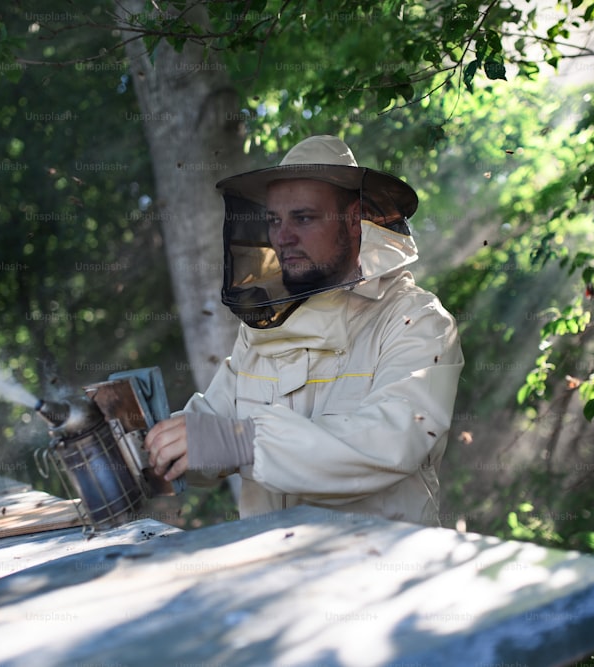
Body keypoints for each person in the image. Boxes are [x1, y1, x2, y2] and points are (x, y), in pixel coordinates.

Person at [144, 135, 464, 525]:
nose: (283, 236)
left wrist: (242, 442)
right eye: (275, 220)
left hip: (380, 572)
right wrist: (146, 443)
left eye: (304, 217)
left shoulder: (415, 320)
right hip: (272, 567)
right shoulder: (267, 324)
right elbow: (213, 427)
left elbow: (395, 439)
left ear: (352, 220)